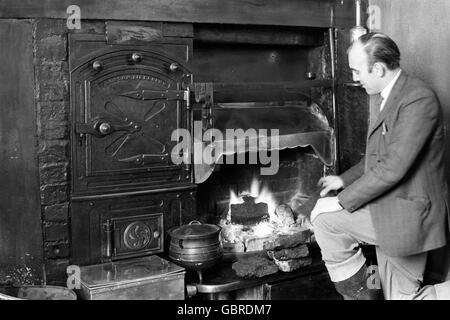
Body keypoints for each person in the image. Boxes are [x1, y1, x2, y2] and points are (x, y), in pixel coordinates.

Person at [311, 32, 450, 300]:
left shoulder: (418, 98)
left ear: (377, 68)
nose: (354, 78)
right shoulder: (390, 94)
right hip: (389, 206)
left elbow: (394, 166)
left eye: (357, 70)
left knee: (327, 220)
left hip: (409, 214)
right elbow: (380, 158)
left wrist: (341, 200)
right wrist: (343, 180)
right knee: (326, 222)